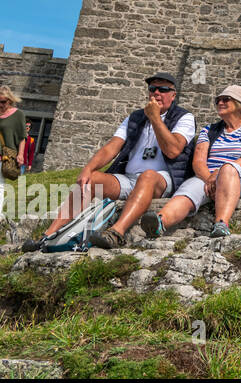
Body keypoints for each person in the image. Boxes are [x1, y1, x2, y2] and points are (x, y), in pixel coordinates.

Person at [23, 74, 195, 252]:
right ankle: (49, 235)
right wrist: (88, 169)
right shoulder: (135, 117)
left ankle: (116, 233)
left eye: (164, 89)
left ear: (173, 95)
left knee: (148, 176)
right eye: (153, 89)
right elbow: (111, 147)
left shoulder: (184, 117)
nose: (157, 93)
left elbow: (173, 150)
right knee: (93, 180)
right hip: (128, 178)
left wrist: (156, 119)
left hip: (162, 179)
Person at [140, 84, 241, 239]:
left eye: (226, 99)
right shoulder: (208, 130)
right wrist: (211, 180)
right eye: (218, 100)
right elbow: (198, 161)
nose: (220, 103)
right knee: (188, 192)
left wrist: (220, 173)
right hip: (208, 177)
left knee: (229, 169)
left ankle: (221, 223)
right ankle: (159, 222)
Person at [0, 85, 27, 180]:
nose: (0, 105)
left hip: (4, 156)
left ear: (10, 100)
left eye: (3, 102)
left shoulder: (18, 114)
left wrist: (20, 154)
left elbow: (22, 137)